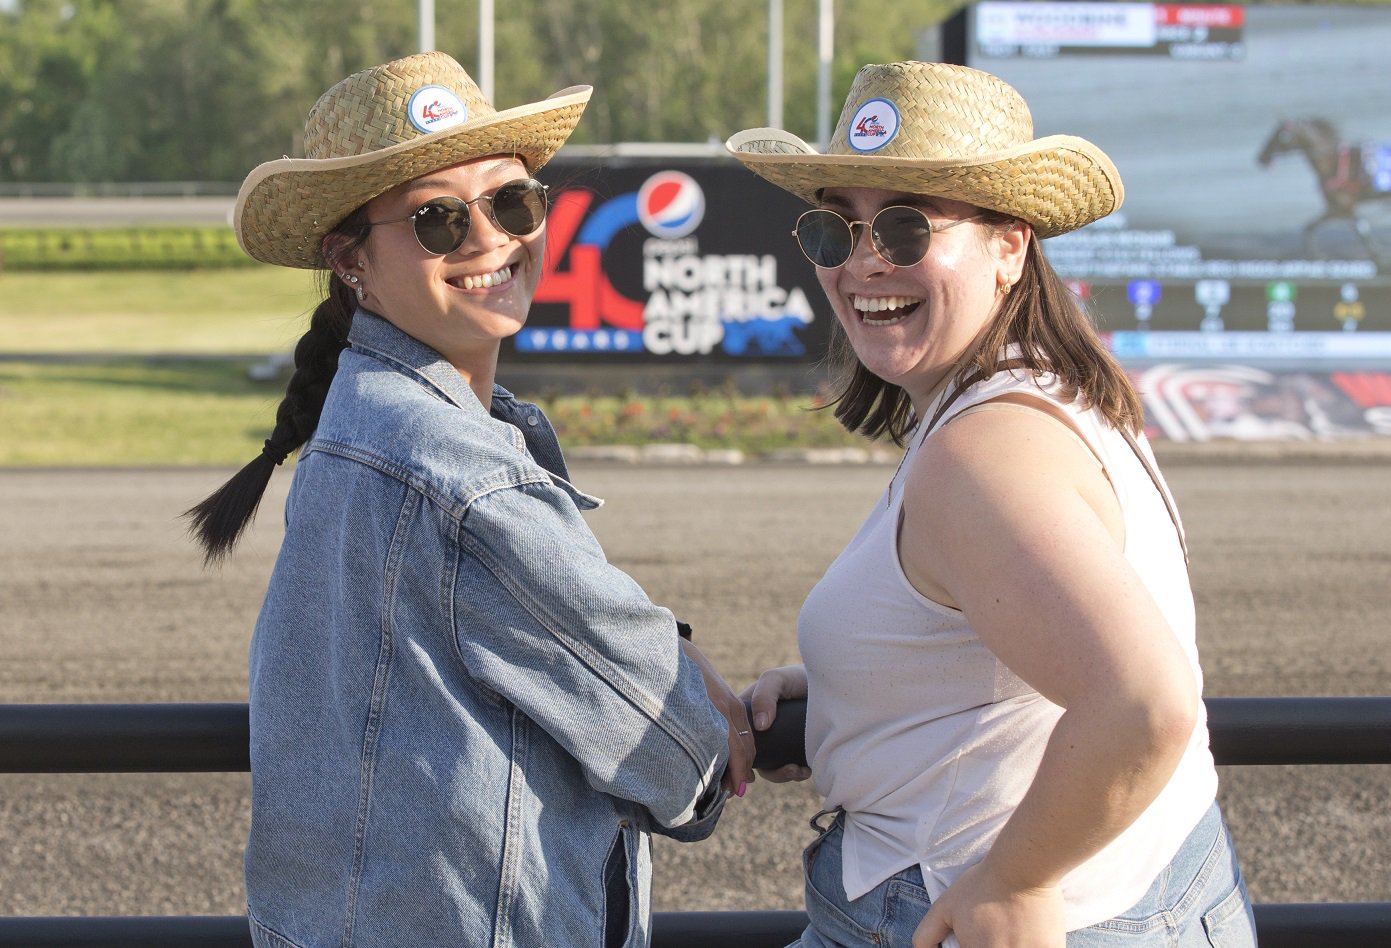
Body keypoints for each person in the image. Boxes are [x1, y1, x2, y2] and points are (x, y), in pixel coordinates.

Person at [186, 51, 754, 948]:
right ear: (351, 261)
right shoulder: (460, 469)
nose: (489, 238)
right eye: (437, 219)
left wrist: (670, 650)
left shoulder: (363, 416)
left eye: (513, 202)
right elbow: (672, 750)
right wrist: (715, 742)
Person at [727, 61, 1257, 948]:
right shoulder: (1048, 398)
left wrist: (1014, 882)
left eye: (903, 226)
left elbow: (1143, 702)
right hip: (1145, 894)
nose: (863, 259)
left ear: (1009, 244)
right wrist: (854, 690)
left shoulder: (982, 451)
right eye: (836, 227)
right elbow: (1005, 662)